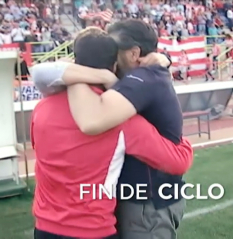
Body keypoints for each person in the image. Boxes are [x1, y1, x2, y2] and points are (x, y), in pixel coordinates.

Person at [31, 27, 193, 239]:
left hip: (45, 228)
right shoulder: (120, 121)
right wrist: (185, 145)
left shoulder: (41, 109)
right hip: (93, 229)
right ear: (114, 65)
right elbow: (176, 162)